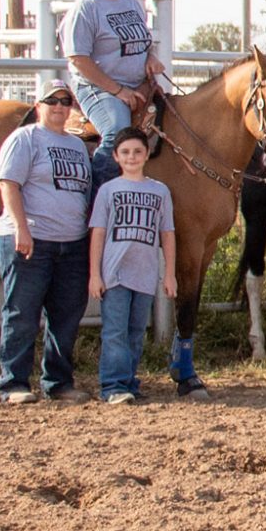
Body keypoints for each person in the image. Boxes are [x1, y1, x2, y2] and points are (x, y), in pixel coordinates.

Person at [0, 80, 94, 404]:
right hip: (32, 240)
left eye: (66, 101)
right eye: (53, 100)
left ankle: (58, 382)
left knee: (66, 315)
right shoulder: (24, 139)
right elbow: (9, 184)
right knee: (22, 312)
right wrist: (22, 228)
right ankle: (13, 384)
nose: (60, 106)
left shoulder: (78, 146)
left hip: (72, 242)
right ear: (38, 106)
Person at [61, 0, 166, 189]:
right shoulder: (86, 7)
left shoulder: (131, 3)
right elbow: (78, 58)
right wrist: (118, 91)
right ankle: (95, 201)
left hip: (139, 86)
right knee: (117, 133)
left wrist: (150, 57)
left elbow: (143, 43)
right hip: (99, 89)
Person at [86, 127, 176, 404]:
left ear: (147, 154)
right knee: (115, 331)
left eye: (137, 151)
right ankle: (112, 385)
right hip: (114, 273)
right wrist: (94, 274)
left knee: (136, 332)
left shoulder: (159, 191)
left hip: (145, 274)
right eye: (125, 152)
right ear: (115, 156)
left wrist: (169, 274)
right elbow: (98, 232)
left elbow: (167, 234)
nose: (132, 156)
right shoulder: (108, 190)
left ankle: (128, 381)